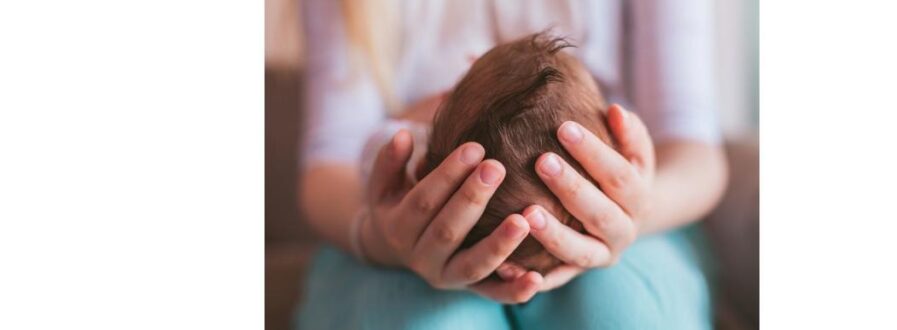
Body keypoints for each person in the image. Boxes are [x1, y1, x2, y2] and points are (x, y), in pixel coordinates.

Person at [296, 0, 728, 329]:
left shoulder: (419, 140)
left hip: (640, 226)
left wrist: (636, 206)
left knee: (623, 314)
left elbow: (695, 150)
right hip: (387, 231)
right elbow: (332, 159)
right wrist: (380, 235)